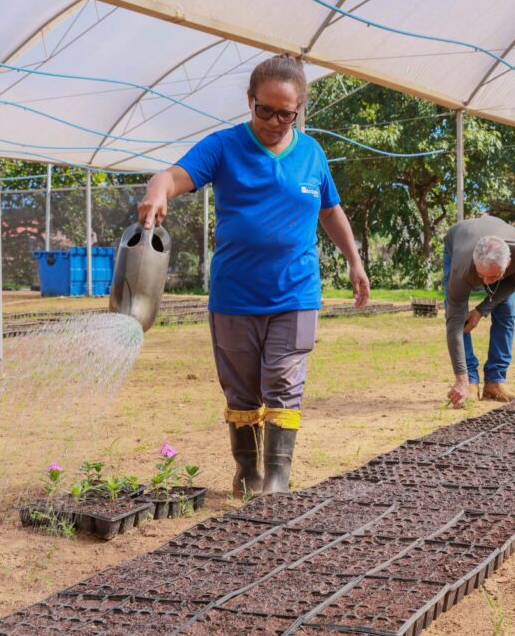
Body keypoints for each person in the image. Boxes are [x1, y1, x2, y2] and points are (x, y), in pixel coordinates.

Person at [137, 54, 370, 497]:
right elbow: (173, 176)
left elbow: (330, 210)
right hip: (235, 295)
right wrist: (157, 189)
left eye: (286, 114)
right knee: (241, 389)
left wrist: (354, 261)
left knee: (283, 381)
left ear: (299, 110)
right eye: (265, 110)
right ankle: (248, 472)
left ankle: (277, 477)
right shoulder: (223, 147)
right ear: (250, 100)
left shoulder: (312, 153)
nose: (274, 122)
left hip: (295, 293)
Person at [443, 215, 515, 407]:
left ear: (508, 263)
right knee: (460, 319)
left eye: (492, 277)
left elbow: (513, 283)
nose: (485, 283)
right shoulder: (462, 266)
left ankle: (495, 381)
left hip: (499, 256)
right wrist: (461, 378)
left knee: (506, 313)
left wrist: (481, 310)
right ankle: (470, 381)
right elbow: (454, 322)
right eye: (481, 275)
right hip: (459, 243)